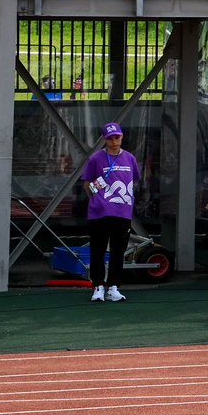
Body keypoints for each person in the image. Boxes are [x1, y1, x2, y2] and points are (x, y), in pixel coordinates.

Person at [77, 121, 140, 303]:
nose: (114, 142)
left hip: (123, 211)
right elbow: (87, 184)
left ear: (122, 137)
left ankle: (114, 287)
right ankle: (98, 286)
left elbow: (134, 179)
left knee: (118, 251)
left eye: (117, 138)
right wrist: (97, 201)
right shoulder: (96, 159)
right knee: (97, 250)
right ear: (104, 139)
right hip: (100, 213)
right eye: (110, 138)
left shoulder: (129, 158)